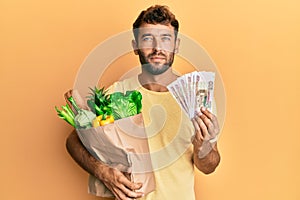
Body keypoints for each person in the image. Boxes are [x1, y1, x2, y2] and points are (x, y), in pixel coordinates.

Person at [66, 5, 221, 200]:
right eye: (148, 38)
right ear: (135, 45)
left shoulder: (197, 98)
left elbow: (209, 166)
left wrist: (203, 146)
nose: (157, 48)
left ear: (176, 45)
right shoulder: (118, 93)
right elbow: (74, 140)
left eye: (165, 39)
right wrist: (102, 172)